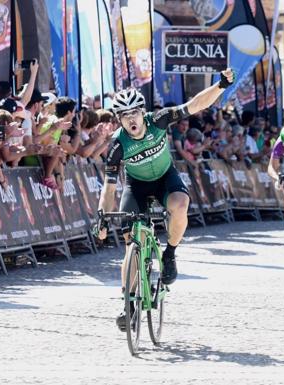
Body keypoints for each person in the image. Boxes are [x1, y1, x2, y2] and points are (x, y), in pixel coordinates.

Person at [95, 68, 234, 331]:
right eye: (125, 116)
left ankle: (170, 253)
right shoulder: (117, 144)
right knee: (130, 245)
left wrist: (221, 86)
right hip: (136, 187)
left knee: (181, 204)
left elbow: (194, 105)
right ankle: (128, 304)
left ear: (143, 111)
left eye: (135, 112)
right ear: (119, 120)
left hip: (165, 178)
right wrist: (101, 218)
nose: (131, 119)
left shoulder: (158, 120)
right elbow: (109, 187)